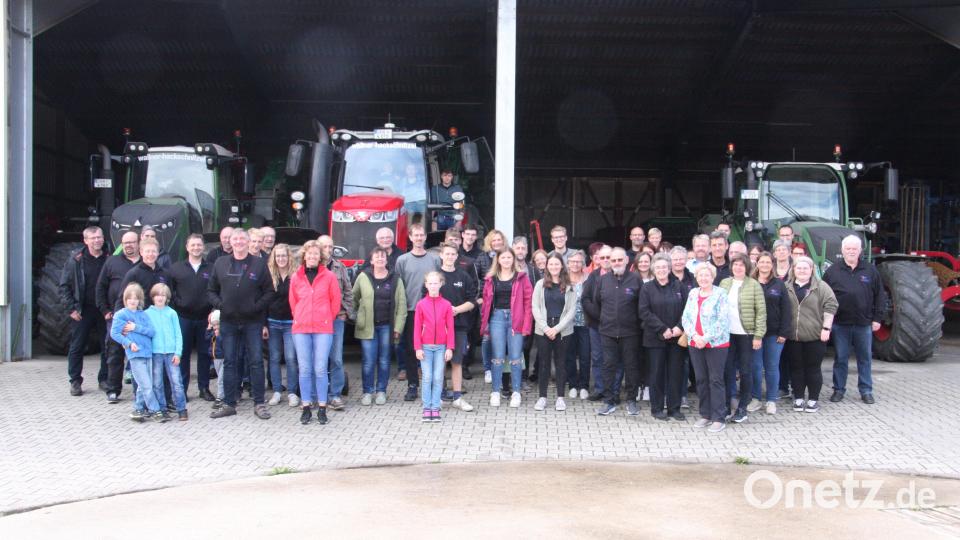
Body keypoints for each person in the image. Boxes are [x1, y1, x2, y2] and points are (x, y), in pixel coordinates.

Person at [207, 228, 275, 420]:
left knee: (255, 362)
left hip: (252, 322)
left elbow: (269, 292)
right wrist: (221, 306)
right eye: (234, 239)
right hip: (228, 322)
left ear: (248, 242)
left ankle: (259, 403)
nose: (238, 242)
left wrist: (256, 307)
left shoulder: (259, 264)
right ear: (230, 241)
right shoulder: (220, 263)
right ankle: (229, 403)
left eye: (242, 239)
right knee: (229, 362)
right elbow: (211, 290)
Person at [823, 235, 886, 404]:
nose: (851, 251)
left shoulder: (870, 270)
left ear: (860, 250)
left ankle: (866, 390)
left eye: (854, 249)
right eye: (848, 248)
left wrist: (877, 318)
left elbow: (880, 295)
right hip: (840, 324)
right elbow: (824, 296)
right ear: (842, 250)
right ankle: (838, 390)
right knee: (841, 358)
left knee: (864, 358)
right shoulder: (832, 271)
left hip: (864, 323)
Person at [289, 240, 341, 425]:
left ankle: (322, 407)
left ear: (321, 257)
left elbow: (335, 301)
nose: (312, 256)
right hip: (301, 329)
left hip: (323, 328)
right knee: (304, 369)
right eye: (309, 253)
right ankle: (305, 407)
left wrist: (326, 316)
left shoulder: (329, 276)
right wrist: (301, 317)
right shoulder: (296, 276)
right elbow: (293, 302)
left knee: (320, 369)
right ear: (304, 255)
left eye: (316, 254)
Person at [352, 247, 407, 406]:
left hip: (387, 327)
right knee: (368, 361)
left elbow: (402, 305)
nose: (380, 259)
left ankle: (381, 391)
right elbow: (353, 299)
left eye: (383, 256)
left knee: (384, 360)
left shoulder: (395, 278)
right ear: (371, 260)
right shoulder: (363, 277)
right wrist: (357, 317)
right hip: (367, 327)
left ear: (387, 259)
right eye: (377, 257)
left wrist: (398, 328)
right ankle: (367, 392)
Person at [480, 247, 533, 407]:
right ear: (498, 260)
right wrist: (485, 323)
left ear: (513, 259)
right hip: (496, 318)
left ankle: (516, 392)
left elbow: (528, 302)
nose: (506, 260)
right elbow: (486, 302)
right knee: (497, 357)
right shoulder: (491, 278)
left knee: (516, 357)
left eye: (509, 257)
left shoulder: (522, 277)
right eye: (503, 257)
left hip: (515, 319)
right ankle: (495, 391)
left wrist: (526, 325)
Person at [593, 248, 642, 416]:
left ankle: (631, 400)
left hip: (630, 332)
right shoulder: (602, 280)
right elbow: (596, 303)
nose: (616, 263)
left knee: (631, 367)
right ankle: (609, 401)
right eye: (613, 261)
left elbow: (641, 306)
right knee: (608, 366)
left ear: (627, 260)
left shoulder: (636, 279)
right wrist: (605, 320)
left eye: (619, 260)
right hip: (607, 332)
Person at [785, 256, 838, 413]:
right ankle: (799, 398)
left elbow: (831, 305)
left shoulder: (821, 287)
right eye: (798, 268)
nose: (802, 271)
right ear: (793, 270)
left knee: (813, 369)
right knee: (796, 369)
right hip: (793, 337)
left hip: (815, 336)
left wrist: (826, 328)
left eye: (805, 268)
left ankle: (813, 399)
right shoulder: (786, 286)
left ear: (811, 270)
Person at [682, 264, 730, 433]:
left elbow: (723, 320)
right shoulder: (693, 293)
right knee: (701, 379)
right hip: (695, 343)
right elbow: (686, 317)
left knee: (715, 380)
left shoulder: (721, 294)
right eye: (700, 275)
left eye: (707, 275)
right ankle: (705, 414)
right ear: (696, 277)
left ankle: (719, 417)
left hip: (716, 344)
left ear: (712, 277)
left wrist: (705, 337)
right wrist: (694, 336)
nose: (703, 278)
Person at [60, 226, 107, 397]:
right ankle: (75, 381)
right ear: (85, 240)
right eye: (93, 238)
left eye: (99, 237)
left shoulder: (109, 258)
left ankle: (104, 379)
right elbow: (64, 286)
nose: (97, 241)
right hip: (82, 310)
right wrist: (71, 308)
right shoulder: (75, 260)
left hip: (104, 310)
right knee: (77, 346)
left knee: (107, 346)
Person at [719, 253, 766, 424]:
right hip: (727, 334)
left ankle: (742, 408)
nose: (738, 267)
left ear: (747, 267)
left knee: (746, 371)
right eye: (735, 264)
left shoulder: (754, 285)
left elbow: (761, 312)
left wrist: (758, 335)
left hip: (747, 335)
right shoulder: (725, 283)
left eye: (741, 265)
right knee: (727, 370)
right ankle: (725, 406)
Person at [396, 223, 441, 401]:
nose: (419, 238)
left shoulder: (434, 259)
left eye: (422, 235)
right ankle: (412, 385)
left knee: (434, 348)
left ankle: (434, 385)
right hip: (410, 310)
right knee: (411, 349)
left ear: (425, 237)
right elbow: (399, 288)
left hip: (432, 311)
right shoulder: (402, 260)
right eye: (416, 235)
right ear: (410, 237)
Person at [167, 234, 214, 402]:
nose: (196, 248)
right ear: (187, 247)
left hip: (204, 318)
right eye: (193, 245)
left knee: (204, 354)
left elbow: (216, 291)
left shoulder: (211, 268)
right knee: (183, 354)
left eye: (199, 245)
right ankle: (182, 390)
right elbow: (169, 292)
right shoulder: (176, 268)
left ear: (203, 247)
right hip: (183, 318)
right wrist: (177, 306)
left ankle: (204, 388)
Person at [639, 253, 686, 421]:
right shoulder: (647, 288)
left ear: (669, 268)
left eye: (664, 267)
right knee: (656, 374)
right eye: (658, 267)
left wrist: (679, 327)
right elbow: (644, 311)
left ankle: (674, 408)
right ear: (653, 269)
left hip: (676, 338)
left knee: (675, 374)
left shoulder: (679, 286)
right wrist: (662, 328)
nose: (661, 270)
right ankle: (657, 408)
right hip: (655, 338)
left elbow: (687, 310)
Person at [96, 230, 140, 400]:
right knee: (115, 354)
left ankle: (139, 391)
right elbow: (100, 287)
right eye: (125, 242)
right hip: (117, 317)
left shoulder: (145, 263)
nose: (129, 245)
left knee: (138, 354)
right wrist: (105, 311)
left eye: (132, 242)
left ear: (138, 243)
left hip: (138, 318)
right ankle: (113, 389)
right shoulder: (112, 262)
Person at [433, 243, 476, 411]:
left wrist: (457, 310)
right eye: (447, 254)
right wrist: (443, 311)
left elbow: (472, 301)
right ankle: (440, 396)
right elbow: (427, 299)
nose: (450, 257)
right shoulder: (435, 277)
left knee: (456, 362)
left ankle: (457, 397)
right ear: (441, 256)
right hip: (438, 328)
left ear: (457, 257)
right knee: (440, 362)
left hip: (458, 327)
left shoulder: (464, 276)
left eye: (453, 254)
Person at [532, 253, 576, 412]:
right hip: (543, 329)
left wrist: (557, 329)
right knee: (544, 364)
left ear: (562, 266)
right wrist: (545, 328)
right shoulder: (540, 284)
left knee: (561, 363)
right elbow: (535, 307)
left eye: (557, 264)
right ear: (546, 266)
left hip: (563, 331)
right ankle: (542, 397)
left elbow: (571, 311)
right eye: (551, 264)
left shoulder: (570, 286)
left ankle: (560, 398)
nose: (554, 267)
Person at [109, 283, 159, 422]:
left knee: (143, 385)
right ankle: (156, 410)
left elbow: (151, 332)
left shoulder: (143, 314)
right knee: (146, 385)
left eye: (136, 298)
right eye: (130, 298)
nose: (133, 301)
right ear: (125, 299)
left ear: (140, 300)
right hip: (135, 354)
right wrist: (129, 343)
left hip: (148, 353)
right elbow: (114, 333)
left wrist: (135, 327)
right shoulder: (121, 314)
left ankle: (138, 409)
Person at [749, 252, 791, 415]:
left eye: (768, 262)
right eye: (762, 262)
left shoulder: (779, 285)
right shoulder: (750, 283)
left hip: (774, 334)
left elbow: (786, 309)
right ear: (757, 264)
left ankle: (771, 400)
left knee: (772, 367)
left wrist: (784, 332)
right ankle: (756, 398)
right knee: (756, 367)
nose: (765, 265)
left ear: (772, 265)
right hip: (754, 334)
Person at [413, 271, 455, 422]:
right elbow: (417, 328)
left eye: (435, 283)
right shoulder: (420, 305)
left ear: (441, 284)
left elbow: (450, 327)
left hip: (441, 347)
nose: (433, 286)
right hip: (425, 347)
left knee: (438, 378)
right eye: (430, 283)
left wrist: (450, 347)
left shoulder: (447, 305)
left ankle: (435, 407)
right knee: (427, 377)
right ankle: (427, 407)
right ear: (426, 285)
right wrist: (417, 347)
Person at [319, 235, 354, 409]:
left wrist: (346, 312)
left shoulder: (340, 267)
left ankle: (335, 394)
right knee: (319, 358)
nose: (328, 250)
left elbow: (348, 291)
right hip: (317, 321)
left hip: (336, 319)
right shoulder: (311, 267)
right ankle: (320, 394)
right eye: (324, 246)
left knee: (336, 358)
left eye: (330, 247)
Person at [581, 245, 619, 402]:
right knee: (597, 358)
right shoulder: (593, 276)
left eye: (608, 257)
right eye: (602, 257)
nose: (605, 260)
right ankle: (599, 389)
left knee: (615, 359)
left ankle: (614, 391)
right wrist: (600, 316)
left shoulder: (621, 276)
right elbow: (586, 299)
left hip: (616, 327)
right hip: (596, 325)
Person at [145, 283, 187, 420]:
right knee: (157, 382)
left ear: (167, 297)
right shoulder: (147, 314)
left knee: (176, 381)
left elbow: (178, 334)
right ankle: (162, 409)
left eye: (163, 295)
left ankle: (182, 408)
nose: (160, 298)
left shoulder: (172, 313)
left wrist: (178, 353)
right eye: (157, 295)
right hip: (155, 353)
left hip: (171, 353)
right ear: (152, 297)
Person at [264, 243, 299, 407]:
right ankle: (277, 391)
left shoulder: (296, 275)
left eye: (283, 255)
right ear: (274, 258)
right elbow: (263, 300)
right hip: (272, 322)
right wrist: (263, 324)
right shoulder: (268, 275)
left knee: (291, 358)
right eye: (277, 256)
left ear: (289, 256)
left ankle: (292, 392)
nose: (281, 259)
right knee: (274, 358)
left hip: (291, 322)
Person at [564, 250, 591, 400]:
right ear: (567, 263)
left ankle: (584, 385)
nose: (575, 264)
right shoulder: (563, 279)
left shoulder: (589, 279)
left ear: (583, 263)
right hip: (567, 325)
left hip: (585, 324)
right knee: (569, 356)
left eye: (578, 261)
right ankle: (573, 385)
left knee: (585, 356)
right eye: (572, 261)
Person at [117, 239, 169, 308]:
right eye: (147, 251)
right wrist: (119, 318)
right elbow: (122, 298)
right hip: (140, 315)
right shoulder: (133, 274)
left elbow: (169, 297)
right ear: (141, 252)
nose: (151, 254)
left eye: (153, 251)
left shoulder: (165, 273)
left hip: (160, 316)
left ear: (158, 253)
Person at [207, 310, 225, 406]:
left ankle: (220, 397)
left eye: (218, 325)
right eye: (214, 325)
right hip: (215, 358)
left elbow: (223, 343)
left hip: (223, 358)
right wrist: (209, 329)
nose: (216, 327)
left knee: (221, 379)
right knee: (220, 376)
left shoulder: (223, 334)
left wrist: (218, 336)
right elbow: (206, 338)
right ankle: (224, 394)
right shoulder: (212, 333)